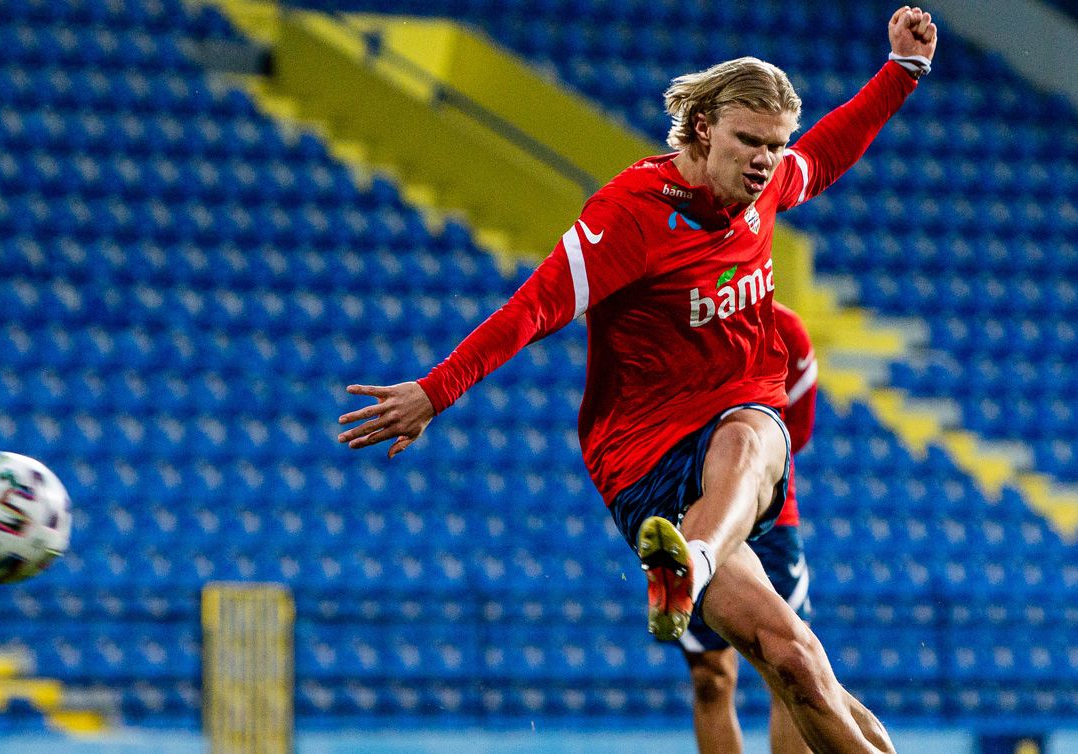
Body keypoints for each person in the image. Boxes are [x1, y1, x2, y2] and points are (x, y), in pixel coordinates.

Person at [337, 8, 936, 752]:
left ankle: (693, 564)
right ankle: (690, 563)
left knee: (749, 436)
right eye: (749, 142)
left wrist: (901, 71)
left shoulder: (771, 185)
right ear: (705, 126)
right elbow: (533, 308)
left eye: (774, 147)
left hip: (735, 435)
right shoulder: (630, 217)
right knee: (794, 663)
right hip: (644, 466)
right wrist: (438, 390)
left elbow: (832, 148)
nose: (764, 162)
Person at [674, 301, 818, 754]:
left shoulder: (788, 334)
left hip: (770, 521)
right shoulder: (676, 323)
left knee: (791, 671)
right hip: (693, 508)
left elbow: (797, 434)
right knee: (710, 678)